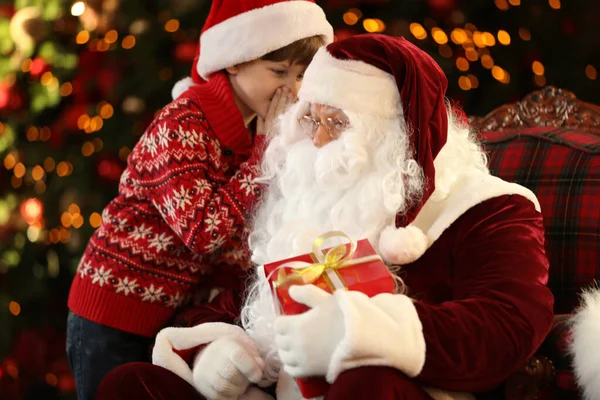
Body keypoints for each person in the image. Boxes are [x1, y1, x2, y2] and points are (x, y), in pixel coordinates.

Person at [96, 34, 554, 400]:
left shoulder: (484, 207)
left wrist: (363, 332)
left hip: (398, 390)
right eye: (308, 119)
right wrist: (217, 351)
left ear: (395, 132)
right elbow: (235, 302)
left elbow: (509, 321)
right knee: (131, 385)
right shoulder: (305, 201)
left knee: (365, 385)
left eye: (335, 123)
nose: (315, 142)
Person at [65, 1, 333, 399]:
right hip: (113, 314)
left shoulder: (257, 130)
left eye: (300, 75)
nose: (291, 89)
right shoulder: (183, 124)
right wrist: (264, 154)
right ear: (236, 61)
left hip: (171, 319)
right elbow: (202, 231)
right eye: (278, 71)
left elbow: (240, 239)